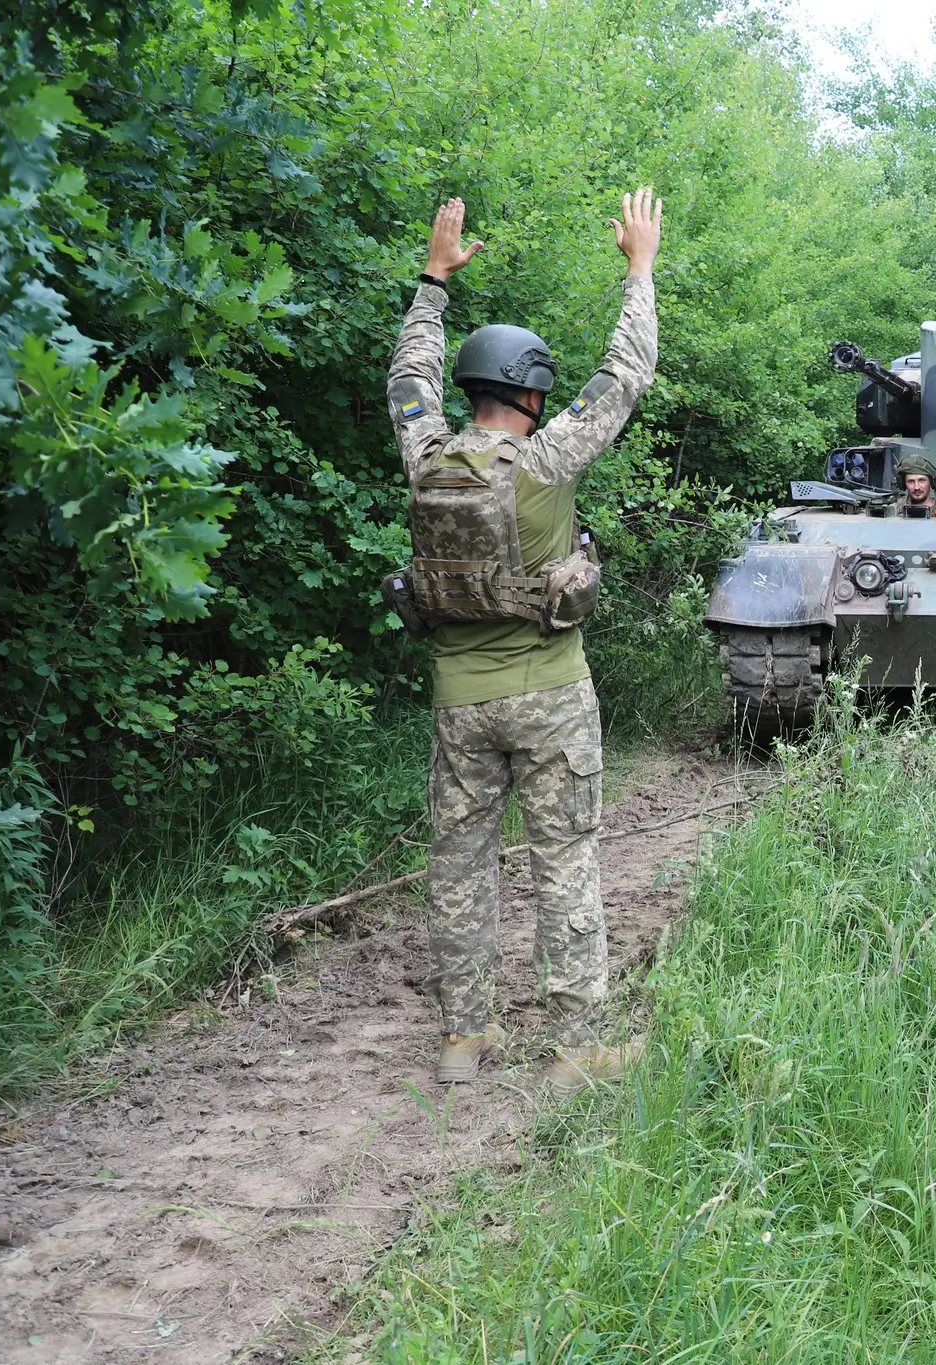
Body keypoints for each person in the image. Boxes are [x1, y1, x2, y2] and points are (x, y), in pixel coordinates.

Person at [386, 189, 660, 1095]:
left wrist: (434, 278)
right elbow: (625, 374)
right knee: (565, 858)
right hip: (549, 691)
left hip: (458, 703)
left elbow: (406, 375)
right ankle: (578, 1047)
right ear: (534, 393)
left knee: (458, 866)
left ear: (471, 391)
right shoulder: (548, 458)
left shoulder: (426, 452)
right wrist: (639, 270)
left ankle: (464, 1040)